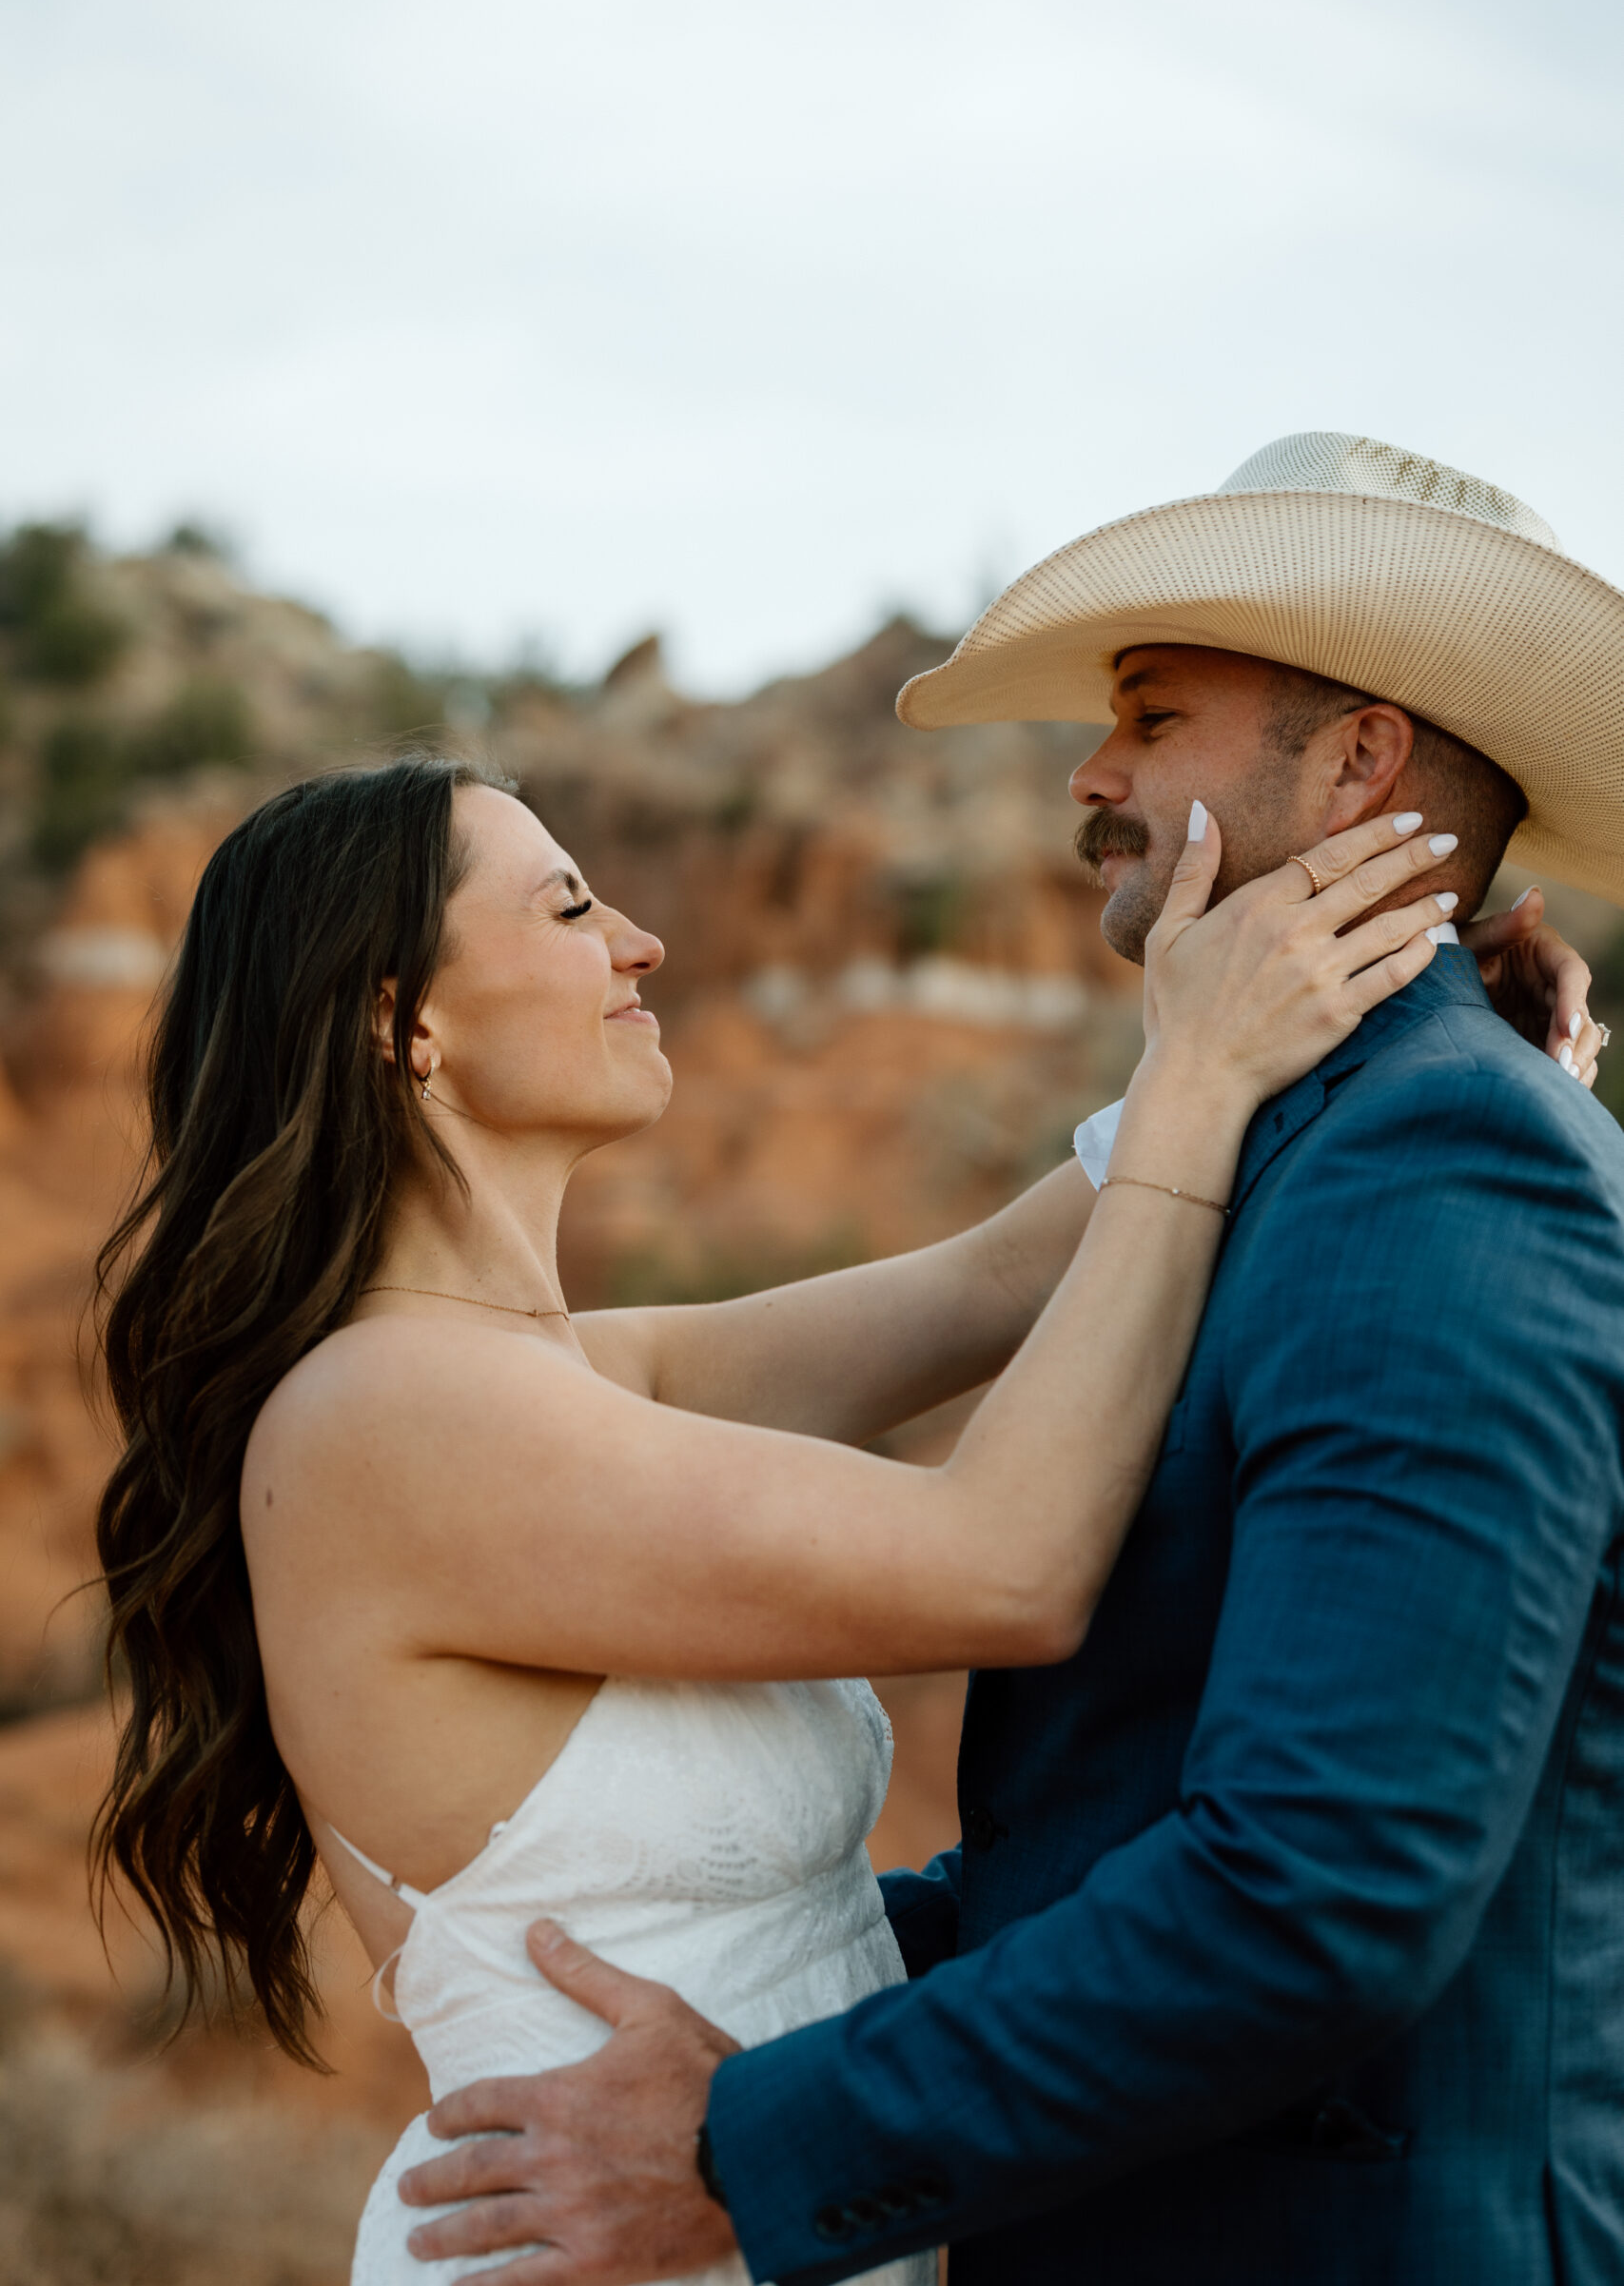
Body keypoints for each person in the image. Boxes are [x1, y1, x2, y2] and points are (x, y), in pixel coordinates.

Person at [394, 433, 1624, 2286]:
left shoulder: (1439, 1153)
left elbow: (1323, 1884)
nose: (1088, 774)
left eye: (1147, 714)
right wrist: (734, 1989)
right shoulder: (1278, 1144)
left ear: (1359, 756)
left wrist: (749, 2143)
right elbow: (1114, 1821)